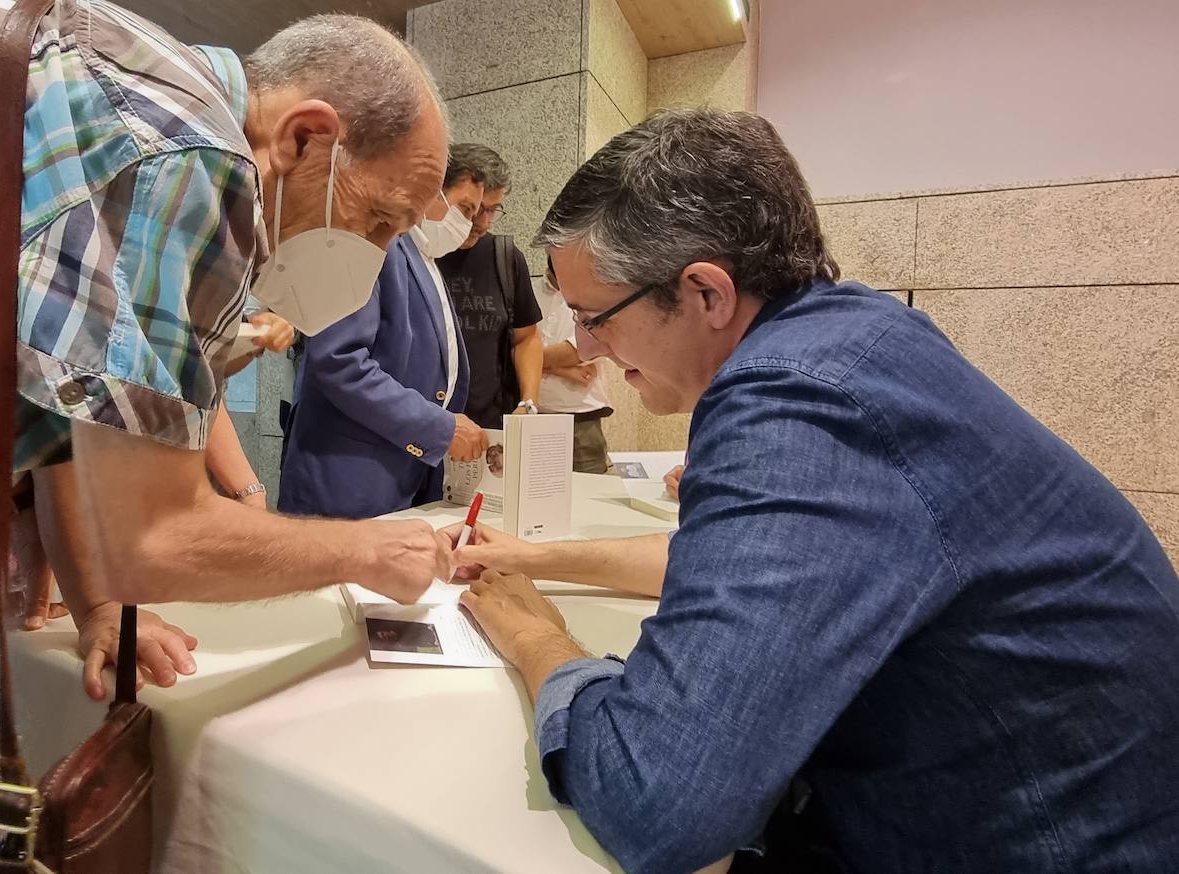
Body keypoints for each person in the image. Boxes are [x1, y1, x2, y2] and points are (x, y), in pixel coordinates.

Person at [447, 109, 1179, 872]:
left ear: (706, 293)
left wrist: (538, 640)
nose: (587, 345)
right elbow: (717, 557)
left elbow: (659, 797)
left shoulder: (791, 395)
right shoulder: (851, 334)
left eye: (596, 316)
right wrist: (536, 559)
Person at [0, 5, 454, 865]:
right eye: (380, 220)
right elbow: (153, 536)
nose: (369, 256)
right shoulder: (187, 147)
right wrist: (368, 555)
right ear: (304, 138)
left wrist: (100, 606)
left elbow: (75, 403)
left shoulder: (117, 89)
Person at [278, 171, 488, 517]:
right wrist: (438, 426)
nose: (468, 224)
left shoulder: (423, 256)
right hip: (349, 480)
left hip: (404, 475)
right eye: (464, 209)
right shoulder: (371, 240)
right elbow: (338, 360)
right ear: (432, 188)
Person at [436, 144, 543, 429]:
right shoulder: (417, 254)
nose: (483, 222)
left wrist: (528, 402)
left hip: (489, 429)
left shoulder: (505, 258)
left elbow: (527, 338)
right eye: (473, 209)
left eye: (493, 210)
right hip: (425, 428)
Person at [537, 260, 613, 473]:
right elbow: (510, 349)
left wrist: (532, 360)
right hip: (533, 415)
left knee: (589, 496)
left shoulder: (599, 295)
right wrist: (563, 369)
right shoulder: (525, 290)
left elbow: (579, 349)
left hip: (581, 419)